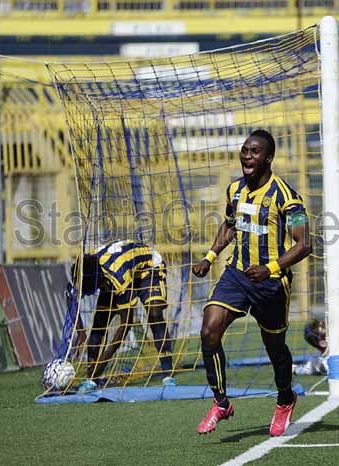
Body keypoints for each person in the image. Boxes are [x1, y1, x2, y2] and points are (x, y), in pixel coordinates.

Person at [192, 129, 312, 437]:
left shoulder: (286, 197)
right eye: (245, 150)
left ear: (268, 158)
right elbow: (229, 225)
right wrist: (209, 257)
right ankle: (221, 402)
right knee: (209, 330)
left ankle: (285, 398)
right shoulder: (234, 189)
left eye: (254, 151)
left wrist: (269, 268)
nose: (247, 155)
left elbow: (304, 245)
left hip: (271, 284)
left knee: (275, 348)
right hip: (236, 275)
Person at [72, 239, 175, 393]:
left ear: (96, 282)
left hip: (149, 268)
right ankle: (92, 380)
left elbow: (126, 324)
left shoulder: (117, 277)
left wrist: (104, 361)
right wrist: (81, 332)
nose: (86, 294)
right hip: (119, 271)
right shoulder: (81, 271)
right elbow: (71, 300)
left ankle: (168, 375)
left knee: (154, 314)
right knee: (99, 323)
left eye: (88, 291)